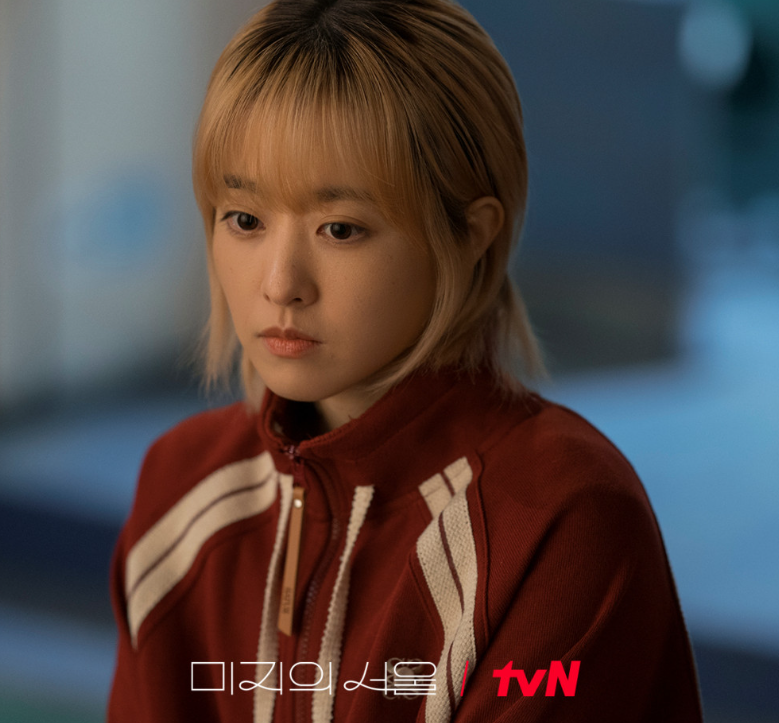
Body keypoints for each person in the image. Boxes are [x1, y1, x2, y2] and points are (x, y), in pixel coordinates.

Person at [107, 0, 704, 721]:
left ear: (472, 234)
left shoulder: (562, 519)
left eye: (340, 228)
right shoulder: (179, 490)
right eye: (245, 219)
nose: (279, 283)